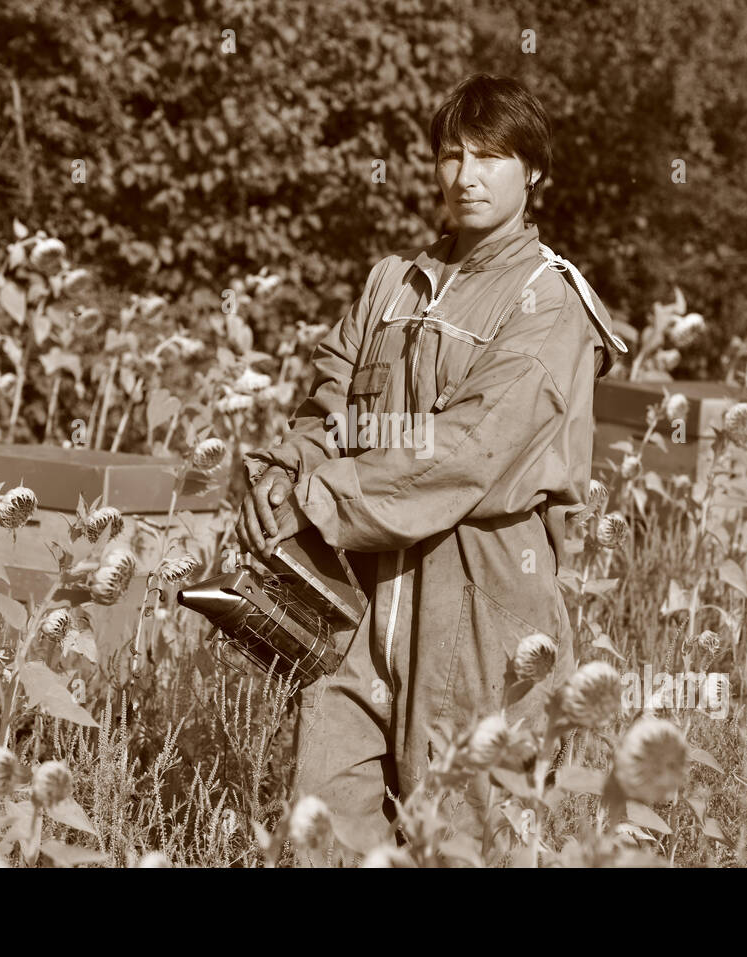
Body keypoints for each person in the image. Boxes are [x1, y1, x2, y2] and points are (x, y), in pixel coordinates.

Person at [235, 73, 627, 851]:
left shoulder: (548, 304)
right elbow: (327, 407)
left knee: (461, 839)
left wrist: (318, 494)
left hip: (478, 612)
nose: (467, 176)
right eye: (452, 155)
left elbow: (466, 452)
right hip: (351, 610)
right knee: (325, 833)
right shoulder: (390, 286)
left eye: (493, 156)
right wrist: (280, 472)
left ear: (535, 173)